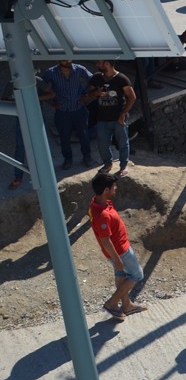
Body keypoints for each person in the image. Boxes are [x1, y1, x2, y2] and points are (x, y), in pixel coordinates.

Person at [89, 172, 147, 321]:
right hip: (121, 252)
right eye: (114, 186)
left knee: (121, 276)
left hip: (117, 251)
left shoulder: (99, 202)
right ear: (106, 190)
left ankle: (127, 305)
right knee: (137, 275)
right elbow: (105, 240)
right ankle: (112, 303)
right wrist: (117, 259)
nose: (116, 188)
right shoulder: (102, 215)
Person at [85, 60, 136, 177]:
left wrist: (123, 114)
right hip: (102, 118)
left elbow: (132, 97)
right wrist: (96, 93)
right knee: (102, 144)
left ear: (107, 64)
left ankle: (123, 167)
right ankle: (107, 164)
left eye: (99, 63)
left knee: (123, 143)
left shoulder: (122, 79)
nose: (97, 65)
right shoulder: (97, 78)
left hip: (119, 118)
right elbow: (89, 94)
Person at [41, 59, 94, 170]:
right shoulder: (51, 72)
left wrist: (87, 94)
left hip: (79, 109)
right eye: (64, 60)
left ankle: (87, 156)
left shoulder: (79, 69)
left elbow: (94, 80)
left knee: (84, 135)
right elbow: (40, 87)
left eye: (69, 59)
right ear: (59, 60)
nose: (68, 62)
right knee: (64, 137)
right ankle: (68, 159)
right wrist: (51, 102)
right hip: (62, 112)